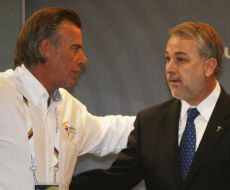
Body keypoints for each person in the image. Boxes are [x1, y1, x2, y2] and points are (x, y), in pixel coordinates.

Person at [70, 22, 230, 190]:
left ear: (209, 66)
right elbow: (112, 181)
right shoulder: (150, 122)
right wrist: (52, 187)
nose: (170, 68)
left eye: (180, 59)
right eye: (167, 59)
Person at [0, 7, 135, 190]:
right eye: (75, 48)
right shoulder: (3, 92)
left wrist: (169, 118)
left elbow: (111, 133)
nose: (83, 59)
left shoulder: (68, 107)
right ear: (47, 48)